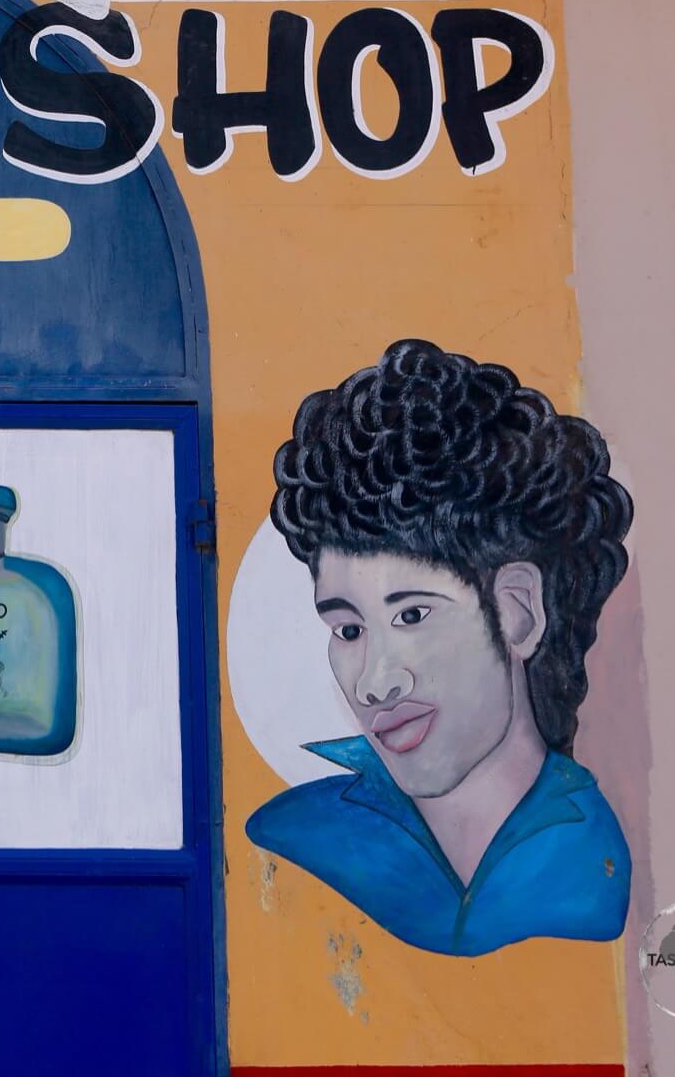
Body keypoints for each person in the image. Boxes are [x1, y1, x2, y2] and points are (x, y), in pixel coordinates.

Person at [245, 339, 633, 956]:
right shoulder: (291, 840)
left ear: (516, 610)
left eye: (414, 614)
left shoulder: (595, 862)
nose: (375, 682)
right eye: (348, 630)